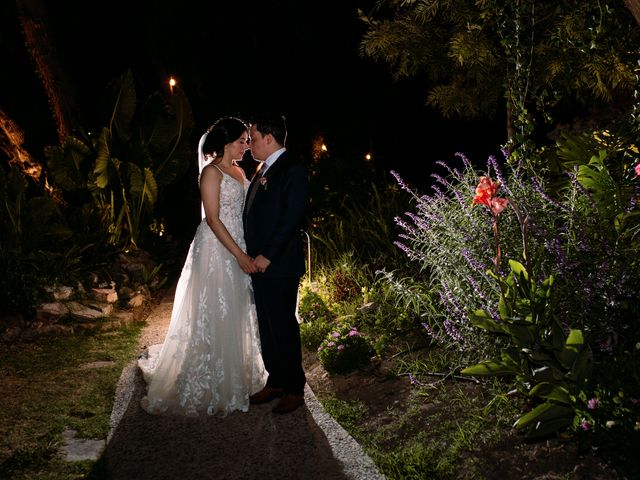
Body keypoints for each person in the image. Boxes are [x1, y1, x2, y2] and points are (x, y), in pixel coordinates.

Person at [138, 117, 267, 416]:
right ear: (225, 143)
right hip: (217, 249)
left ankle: (234, 374)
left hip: (239, 244)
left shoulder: (238, 170)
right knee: (214, 312)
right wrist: (238, 255)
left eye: (247, 140)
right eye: (241, 140)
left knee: (235, 309)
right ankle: (209, 380)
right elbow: (212, 218)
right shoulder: (211, 173)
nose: (246, 145)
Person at [243, 113, 309, 414]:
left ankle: (295, 388)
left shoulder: (291, 169)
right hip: (258, 263)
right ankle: (276, 380)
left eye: (253, 138)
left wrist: (267, 255)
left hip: (279, 263)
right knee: (267, 325)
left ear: (269, 138)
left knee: (282, 324)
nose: (250, 144)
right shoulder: (261, 170)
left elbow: (291, 217)